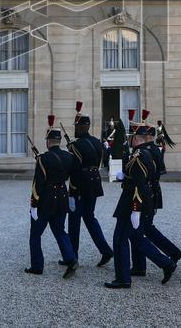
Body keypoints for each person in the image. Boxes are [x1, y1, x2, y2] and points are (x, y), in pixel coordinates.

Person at [104, 111, 177, 289]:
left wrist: (136, 209)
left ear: (139, 138)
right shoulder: (142, 153)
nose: (130, 139)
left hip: (131, 203)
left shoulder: (139, 156)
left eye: (132, 136)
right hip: (138, 200)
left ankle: (123, 278)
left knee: (120, 239)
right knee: (134, 236)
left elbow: (139, 185)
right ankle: (162, 263)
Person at [130, 110, 181, 276]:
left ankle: (158, 262)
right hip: (152, 193)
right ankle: (171, 253)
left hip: (146, 194)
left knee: (139, 231)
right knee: (146, 229)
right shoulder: (153, 149)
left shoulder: (148, 151)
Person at [26, 115, 78, 279]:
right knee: (60, 231)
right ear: (59, 141)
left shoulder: (43, 159)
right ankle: (71, 259)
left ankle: (37, 266)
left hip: (46, 200)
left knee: (35, 234)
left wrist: (34, 205)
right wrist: (72, 196)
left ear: (48, 141)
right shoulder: (70, 157)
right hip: (62, 197)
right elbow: (74, 178)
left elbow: (38, 184)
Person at [63, 100, 112, 268]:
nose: (74, 130)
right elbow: (101, 161)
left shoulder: (76, 145)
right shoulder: (97, 142)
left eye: (76, 127)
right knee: (90, 218)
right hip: (94, 182)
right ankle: (105, 250)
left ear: (81, 127)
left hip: (80, 186)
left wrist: (71, 191)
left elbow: (74, 170)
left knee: (74, 221)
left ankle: (72, 256)